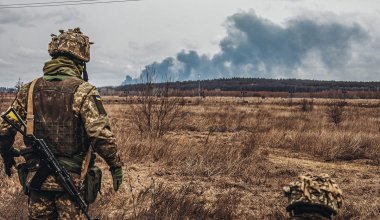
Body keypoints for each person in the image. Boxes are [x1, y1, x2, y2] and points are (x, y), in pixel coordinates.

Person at [0, 28, 123, 219]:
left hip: (37, 182)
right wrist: (115, 164)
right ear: (81, 61)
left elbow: (4, 128)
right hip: (72, 181)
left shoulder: (29, 89)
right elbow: (99, 134)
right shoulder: (83, 90)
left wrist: (6, 155)